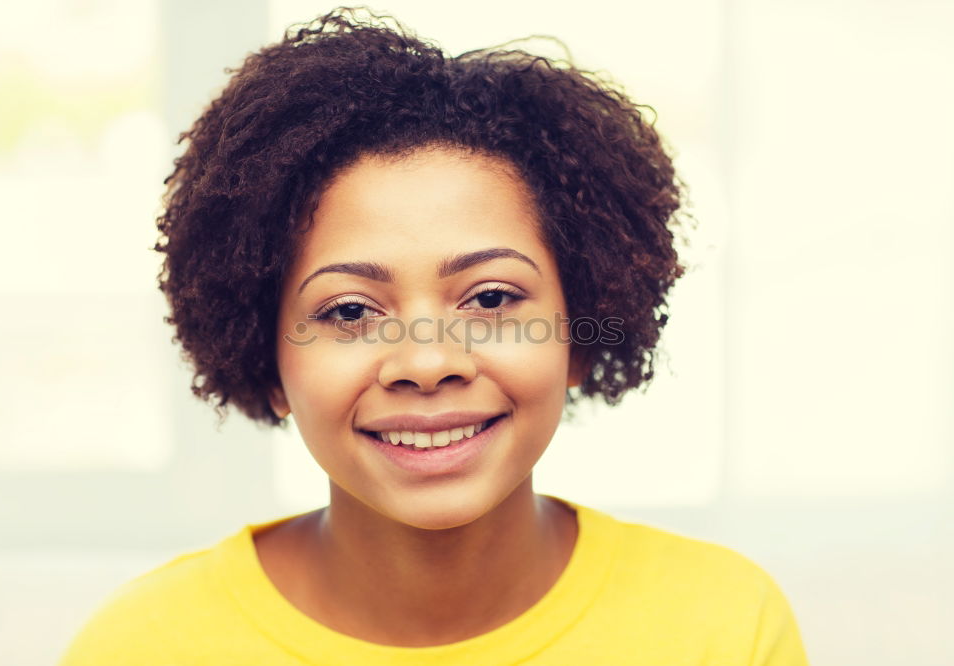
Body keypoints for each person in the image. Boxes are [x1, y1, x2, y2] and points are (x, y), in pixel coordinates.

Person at [60, 7, 809, 664]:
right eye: (349, 311)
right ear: (265, 357)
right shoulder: (142, 647)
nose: (426, 361)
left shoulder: (721, 628)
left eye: (490, 297)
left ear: (577, 335)